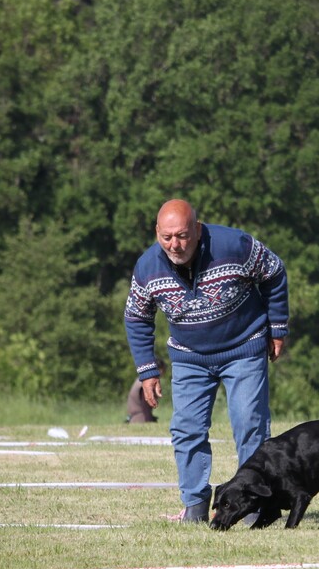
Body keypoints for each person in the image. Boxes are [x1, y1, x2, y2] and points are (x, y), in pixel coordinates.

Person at [124, 200, 289, 523]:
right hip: (189, 358)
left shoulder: (235, 245)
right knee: (186, 429)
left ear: (198, 230)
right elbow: (137, 317)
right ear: (157, 233)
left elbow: (274, 271)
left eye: (183, 235)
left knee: (249, 425)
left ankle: (255, 505)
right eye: (167, 237)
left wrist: (278, 327)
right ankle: (196, 505)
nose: (175, 244)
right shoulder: (147, 268)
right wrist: (147, 370)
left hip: (244, 347)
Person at [126, 358, 165, 423]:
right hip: (140, 420)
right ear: (159, 370)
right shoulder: (146, 383)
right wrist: (150, 421)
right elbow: (145, 407)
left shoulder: (141, 380)